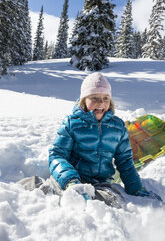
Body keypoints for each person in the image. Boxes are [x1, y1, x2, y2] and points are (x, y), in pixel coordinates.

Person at [48, 72, 162, 205]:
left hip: (101, 183)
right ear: (84, 99)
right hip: (72, 181)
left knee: (112, 203)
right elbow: (57, 154)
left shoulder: (117, 127)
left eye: (105, 98)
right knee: (68, 200)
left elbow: (125, 161)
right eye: (94, 98)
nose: (101, 103)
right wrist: (70, 180)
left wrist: (135, 188)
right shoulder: (71, 124)